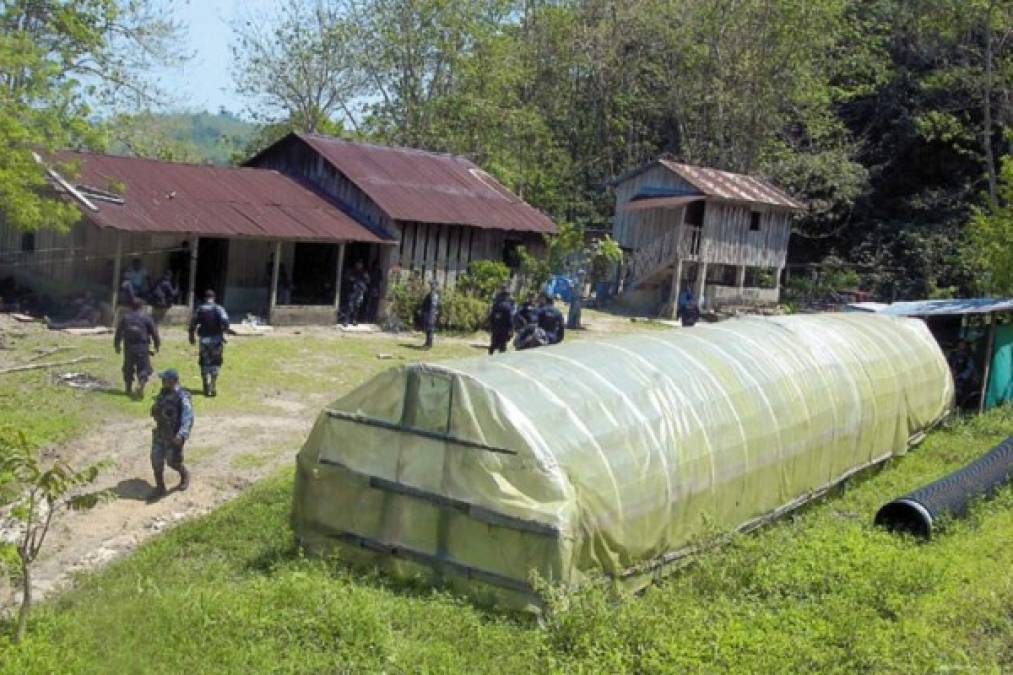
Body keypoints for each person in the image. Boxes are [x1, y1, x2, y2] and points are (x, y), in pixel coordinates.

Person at [148, 368, 193, 501]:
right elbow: (155, 411)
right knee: (155, 459)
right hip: (160, 433)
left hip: (174, 436)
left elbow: (188, 417)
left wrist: (182, 435)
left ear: (173, 381)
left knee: (173, 462)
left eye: (165, 380)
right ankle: (160, 487)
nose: (162, 382)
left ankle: (184, 474)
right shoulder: (163, 394)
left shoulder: (182, 397)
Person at [114, 297, 160, 399]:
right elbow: (154, 332)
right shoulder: (146, 317)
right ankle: (141, 383)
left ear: (131, 307)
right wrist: (157, 345)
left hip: (128, 346)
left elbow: (118, 332)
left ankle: (128, 388)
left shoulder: (126, 317)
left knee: (128, 367)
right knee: (144, 367)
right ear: (142, 307)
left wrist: (117, 345)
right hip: (142, 346)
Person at [189, 289, 229, 397]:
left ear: (205, 298)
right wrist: (224, 331)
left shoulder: (200, 309)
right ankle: (213, 384)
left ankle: (205, 383)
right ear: (214, 298)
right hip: (216, 340)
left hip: (204, 340)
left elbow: (192, 323)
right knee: (216, 361)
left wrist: (191, 336)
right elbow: (226, 321)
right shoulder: (219, 309)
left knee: (204, 361)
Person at [488, 283, 516, 355]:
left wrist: (491, 325)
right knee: (502, 346)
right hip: (503, 328)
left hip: (496, 327)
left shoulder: (496, 304)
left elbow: (491, 316)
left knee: (494, 344)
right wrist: (512, 329)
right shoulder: (506, 305)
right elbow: (510, 318)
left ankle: (490, 356)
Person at [341, 261, 370, 327]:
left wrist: (366, 277)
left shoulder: (363, 272)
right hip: (352, 291)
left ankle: (354, 320)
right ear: (356, 264)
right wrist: (351, 279)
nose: (359, 265)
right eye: (358, 264)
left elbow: (368, 281)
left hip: (360, 292)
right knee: (349, 306)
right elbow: (347, 278)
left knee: (357, 307)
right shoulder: (352, 271)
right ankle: (346, 321)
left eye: (361, 264)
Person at [948, 339, 977, 405]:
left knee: (959, 393)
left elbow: (970, 369)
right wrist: (951, 371)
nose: (961, 345)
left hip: (962, 380)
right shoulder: (953, 354)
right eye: (960, 344)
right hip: (951, 377)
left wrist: (960, 376)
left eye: (963, 344)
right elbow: (947, 363)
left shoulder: (968, 356)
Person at [420, 280, 440, 349]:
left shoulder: (434, 295)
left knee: (430, 329)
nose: (431, 286)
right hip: (427, 313)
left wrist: (432, 315)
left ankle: (429, 344)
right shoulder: (431, 293)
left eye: (432, 285)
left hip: (431, 314)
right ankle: (427, 342)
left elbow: (433, 306)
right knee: (427, 329)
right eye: (431, 285)